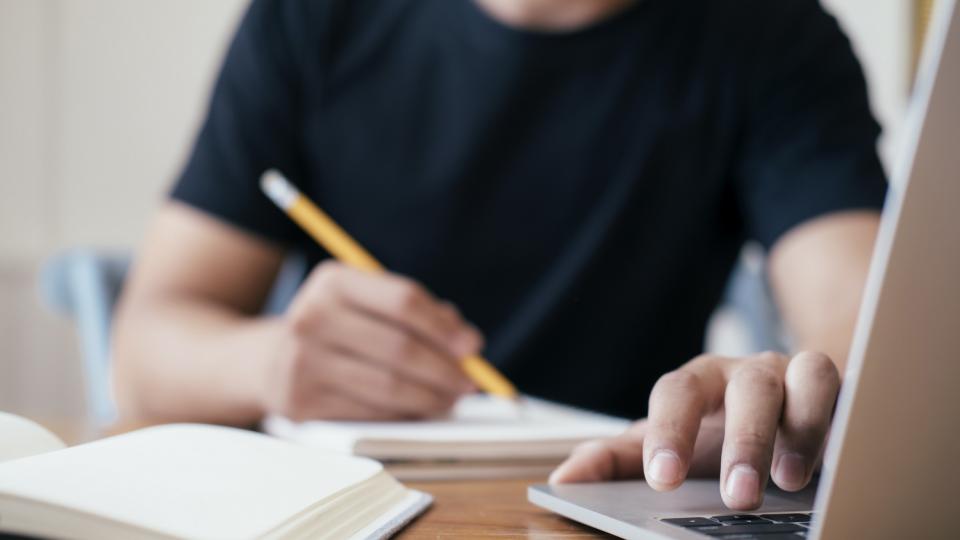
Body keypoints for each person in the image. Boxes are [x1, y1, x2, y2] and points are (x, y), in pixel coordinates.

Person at [112, 0, 886, 510]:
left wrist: (790, 399)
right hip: (344, 505)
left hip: (606, 500)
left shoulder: (773, 34)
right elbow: (144, 351)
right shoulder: (311, 16)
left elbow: (869, 331)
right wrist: (269, 363)